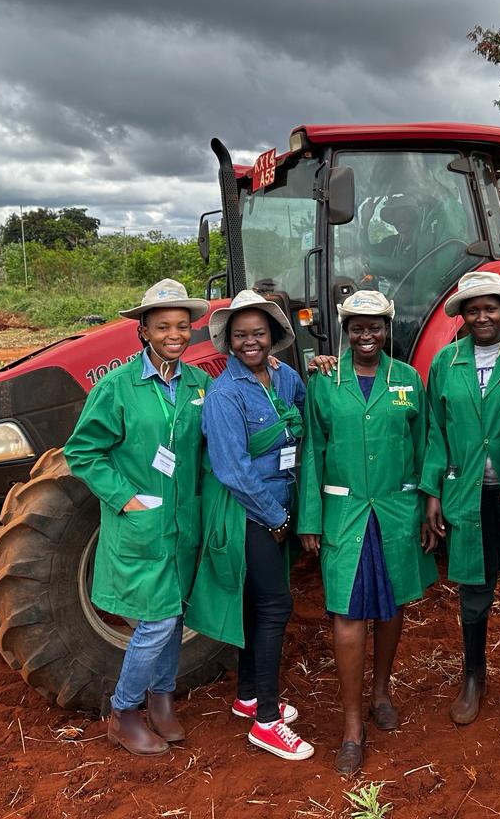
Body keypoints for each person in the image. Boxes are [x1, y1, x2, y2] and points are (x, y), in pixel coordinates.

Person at [64, 279, 212, 757]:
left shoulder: (199, 384)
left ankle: (162, 701)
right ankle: (124, 713)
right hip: (141, 523)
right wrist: (125, 498)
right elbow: (83, 451)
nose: (175, 334)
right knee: (156, 620)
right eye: (163, 326)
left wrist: (271, 368)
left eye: (183, 326)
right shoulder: (118, 386)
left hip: (183, 524)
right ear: (143, 330)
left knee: (175, 614)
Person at [298, 290, 436, 776]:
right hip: (346, 513)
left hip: (396, 511)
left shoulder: (408, 379)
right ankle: (352, 727)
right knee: (348, 612)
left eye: (375, 325)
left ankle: (381, 692)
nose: (366, 334)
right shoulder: (325, 381)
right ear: (345, 330)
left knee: (392, 604)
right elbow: (313, 449)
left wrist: (427, 503)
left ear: (387, 328)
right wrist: (310, 518)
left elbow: (423, 444)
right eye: (357, 326)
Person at [419, 270, 500, 726]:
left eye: (490, 308)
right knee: (473, 585)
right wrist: (432, 490)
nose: (482, 317)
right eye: (473, 309)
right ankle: (473, 678)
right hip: (464, 492)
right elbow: (435, 431)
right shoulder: (446, 362)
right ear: (463, 315)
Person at [186, 289, 314, 762]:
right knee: (275, 607)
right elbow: (233, 470)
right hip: (250, 513)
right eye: (240, 335)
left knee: (257, 606)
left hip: (278, 506)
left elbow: (304, 410)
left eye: (258, 333)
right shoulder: (225, 395)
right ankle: (266, 720)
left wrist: (321, 368)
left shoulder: (285, 378)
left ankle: (246, 695)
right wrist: (276, 518)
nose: (250, 342)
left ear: (273, 336)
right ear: (230, 342)